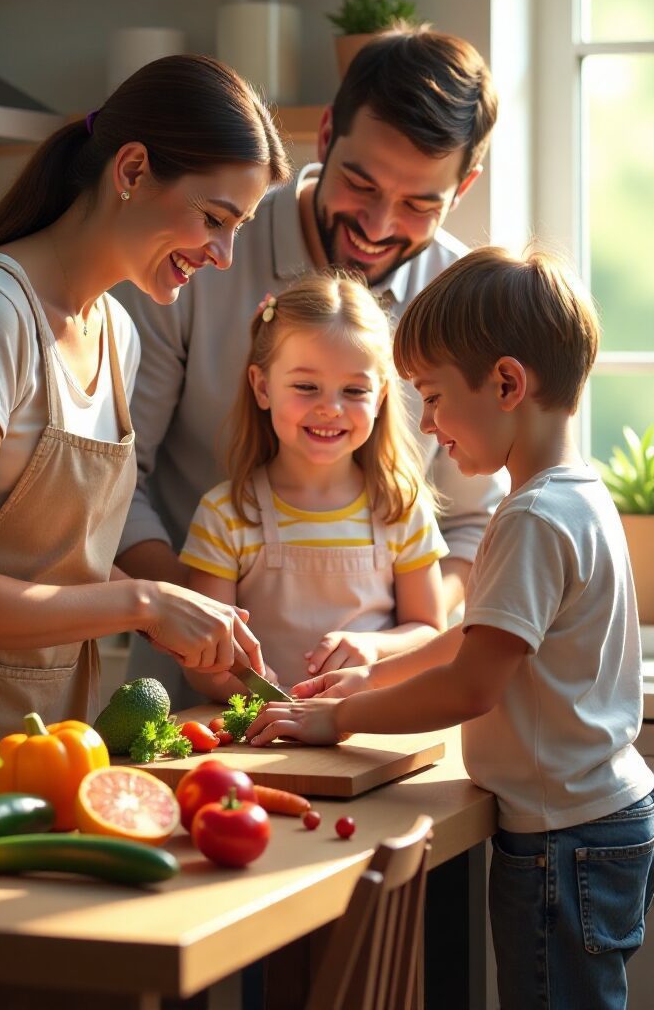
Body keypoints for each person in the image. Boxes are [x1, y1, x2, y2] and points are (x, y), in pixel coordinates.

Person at [245, 246, 654, 1010]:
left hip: (561, 841)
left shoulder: (532, 516)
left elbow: (472, 684)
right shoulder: (579, 491)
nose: (428, 426)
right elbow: (483, 639)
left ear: (506, 383)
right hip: (598, 819)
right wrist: (375, 676)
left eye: (432, 398)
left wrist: (339, 719)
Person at [0, 54, 290, 739]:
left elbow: (52, 566)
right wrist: (142, 602)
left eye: (239, 229)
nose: (222, 255)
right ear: (131, 171)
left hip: (54, 742)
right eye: (214, 218)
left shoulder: (117, 334)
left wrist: (183, 613)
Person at [114, 21, 506, 704]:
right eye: (360, 183)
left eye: (420, 205)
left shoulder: (465, 306)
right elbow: (119, 478)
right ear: (325, 137)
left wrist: (395, 645)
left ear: (463, 187)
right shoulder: (196, 256)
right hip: (191, 696)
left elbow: (473, 523)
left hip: (375, 709)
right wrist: (200, 621)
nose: (379, 226)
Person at [179, 269, 447, 700]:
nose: (330, 408)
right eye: (306, 386)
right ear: (262, 387)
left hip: (369, 732)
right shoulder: (225, 515)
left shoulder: (400, 506)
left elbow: (432, 631)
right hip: (260, 738)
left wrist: (373, 647)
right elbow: (205, 662)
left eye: (355, 390)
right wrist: (278, 706)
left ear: (380, 397)